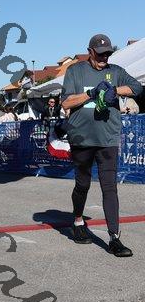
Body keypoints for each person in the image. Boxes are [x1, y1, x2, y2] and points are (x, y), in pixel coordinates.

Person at [60, 34, 142, 256]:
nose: (105, 57)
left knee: (109, 187)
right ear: (90, 52)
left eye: (108, 54)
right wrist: (91, 93)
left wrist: (116, 90)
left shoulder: (116, 71)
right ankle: (78, 221)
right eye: (100, 54)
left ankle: (114, 238)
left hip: (108, 138)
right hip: (82, 138)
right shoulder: (75, 71)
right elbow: (66, 102)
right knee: (83, 184)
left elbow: (137, 87)